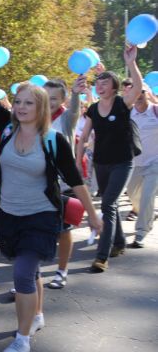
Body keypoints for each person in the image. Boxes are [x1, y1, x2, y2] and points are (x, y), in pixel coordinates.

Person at [0, 57, 102, 352]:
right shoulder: (7, 129)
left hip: (42, 217)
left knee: (22, 273)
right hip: (9, 216)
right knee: (30, 271)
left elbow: (75, 179)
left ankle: (22, 339)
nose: (20, 107)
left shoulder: (53, 140)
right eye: (18, 102)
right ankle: (37, 314)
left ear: (41, 108)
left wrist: (94, 215)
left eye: (28, 103)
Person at [75, 45, 143, 272]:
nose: (100, 86)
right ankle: (120, 242)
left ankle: (102, 256)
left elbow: (138, 86)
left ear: (115, 88)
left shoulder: (123, 103)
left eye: (105, 83)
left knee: (106, 205)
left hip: (123, 162)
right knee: (110, 204)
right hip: (101, 163)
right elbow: (84, 136)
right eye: (98, 83)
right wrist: (77, 163)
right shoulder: (93, 109)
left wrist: (131, 62)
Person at [42, 77, 86, 290]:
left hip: (64, 185)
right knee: (36, 230)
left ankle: (61, 271)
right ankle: (30, 277)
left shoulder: (66, 118)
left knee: (63, 230)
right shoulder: (32, 117)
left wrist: (76, 93)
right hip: (37, 185)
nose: (49, 102)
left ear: (62, 100)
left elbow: (75, 110)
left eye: (54, 98)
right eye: (45, 96)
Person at [126, 83, 158, 248]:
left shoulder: (155, 111)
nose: (138, 95)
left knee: (147, 197)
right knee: (132, 195)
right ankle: (143, 213)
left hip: (155, 163)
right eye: (135, 92)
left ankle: (141, 232)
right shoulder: (127, 113)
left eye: (142, 92)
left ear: (148, 94)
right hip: (134, 164)